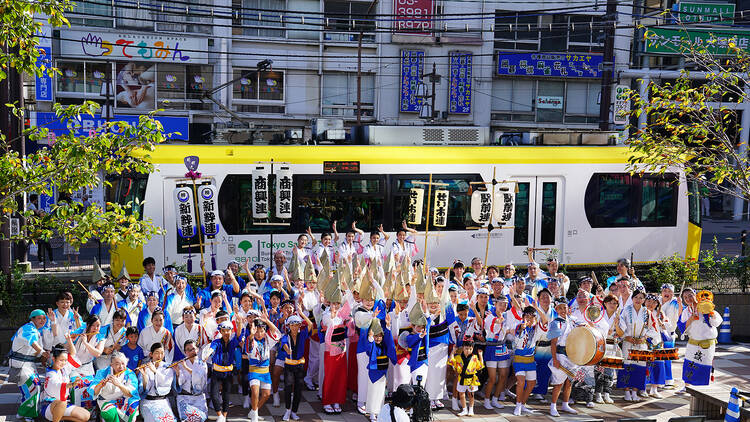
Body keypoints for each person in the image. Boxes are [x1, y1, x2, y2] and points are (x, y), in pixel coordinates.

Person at [617, 287, 658, 401]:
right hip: (628, 342)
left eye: (641, 298)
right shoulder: (625, 310)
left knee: (639, 367)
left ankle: (635, 391)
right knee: (627, 366)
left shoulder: (647, 312)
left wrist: (645, 337)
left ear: (644, 299)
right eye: (636, 297)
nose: (638, 300)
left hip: (641, 343)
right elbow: (621, 326)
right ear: (632, 298)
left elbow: (652, 329)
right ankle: (626, 391)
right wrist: (626, 336)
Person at [320, 275, 352, 414]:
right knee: (330, 375)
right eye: (333, 303)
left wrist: (346, 287)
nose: (335, 306)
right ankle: (327, 401)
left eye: (338, 303)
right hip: (330, 350)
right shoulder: (326, 314)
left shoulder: (342, 313)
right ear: (329, 303)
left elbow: (350, 303)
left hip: (341, 349)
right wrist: (333, 317)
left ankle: (337, 400)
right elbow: (328, 324)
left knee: (340, 376)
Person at [678, 289, 722, 388]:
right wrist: (691, 318)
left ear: (695, 295)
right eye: (685, 297)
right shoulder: (686, 311)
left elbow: (716, 322)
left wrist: (711, 313)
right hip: (693, 343)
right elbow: (682, 327)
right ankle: (687, 386)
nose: (688, 299)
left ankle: (702, 388)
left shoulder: (705, 306)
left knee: (704, 366)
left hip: (707, 344)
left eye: (690, 295)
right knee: (689, 364)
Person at [511, 305, 548, 416]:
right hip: (519, 360)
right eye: (527, 316)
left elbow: (545, 320)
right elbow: (519, 330)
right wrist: (523, 326)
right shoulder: (519, 326)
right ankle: (517, 406)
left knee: (531, 383)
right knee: (521, 382)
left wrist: (537, 308)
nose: (529, 319)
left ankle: (523, 404)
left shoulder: (536, 329)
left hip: (530, 361)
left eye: (532, 317)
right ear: (523, 317)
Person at [41, 338, 91, 422]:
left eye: (65, 360)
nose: (64, 363)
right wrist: (71, 384)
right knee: (62, 401)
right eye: (61, 360)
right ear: (53, 359)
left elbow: (73, 354)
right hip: (49, 406)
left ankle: (58, 418)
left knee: (86, 415)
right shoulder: (50, 374)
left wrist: (69, 340)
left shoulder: (64, 369)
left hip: (63, 405)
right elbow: (56, 386)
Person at [244, 313, 281, 422]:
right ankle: (254, 417)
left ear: (265, 331)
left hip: (265, 370)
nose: (259, 334)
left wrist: (267, 321)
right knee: (255, 392)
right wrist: (251, 334)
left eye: (262, 331)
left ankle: (253, 411)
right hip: (254, 369)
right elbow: (248, 348)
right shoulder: (250, 339)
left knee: (266, 395)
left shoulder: (267, 339)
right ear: (253, 330)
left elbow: (277, 333)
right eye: (257, 331)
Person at [204, 320, 242, 422]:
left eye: (228, 331)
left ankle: (224, 416)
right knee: (214, 394)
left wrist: (239, 323)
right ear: (220, 331)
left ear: (231, 331)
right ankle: (219, 415)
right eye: (223, 330)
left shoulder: (233, 342)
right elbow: (212, 349)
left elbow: (238, 336)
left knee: (226, 395)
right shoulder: (216, 342)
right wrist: (207, 355)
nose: (226, 333)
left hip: (228, 372)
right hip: (216, 372)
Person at [547, 297, 579, 416]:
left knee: (569, 381)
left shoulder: (573, 321)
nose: (562, 310)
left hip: (571, 355)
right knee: (558, 382)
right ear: (556, 309)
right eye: (560, 308)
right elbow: (553, 343)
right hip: (560, 355)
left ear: (568, 308)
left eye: (564, 307)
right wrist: (555, 359)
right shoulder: (555, 323)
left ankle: (565, 404)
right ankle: (553, 406)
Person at [279, 311, 312, 421]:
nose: (294, 327)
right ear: (288, 326)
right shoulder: (286, 336)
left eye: (296, 324)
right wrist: (287, 349)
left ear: (299, 325)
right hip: (289, 365)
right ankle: (287, 410)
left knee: (298, 388)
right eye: (292, 325)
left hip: (299, 366)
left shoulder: (302, 334)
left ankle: (294, 411)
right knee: (288, 387)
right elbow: (283, 343)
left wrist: (302, 315)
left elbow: (311, 325)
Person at [363, 315, 397, 421]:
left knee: (381, 393)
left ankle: (379, 412)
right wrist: (370, 337)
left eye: (380, 336)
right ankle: (372, 413)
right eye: (376, 336)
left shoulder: (384, 345)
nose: (378, 338)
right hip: (374, 373)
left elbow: (389, 340)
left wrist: (387, 326)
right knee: (373, 393)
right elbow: (368, 346)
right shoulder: (373, 346)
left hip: (383, 372)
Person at [89, 351, 139, 422]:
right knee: (109, 413)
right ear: (111, 365)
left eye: (123, 363)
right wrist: (100, 385)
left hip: (123, 400)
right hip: (107, 400)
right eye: (117, 364)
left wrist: (119, 385)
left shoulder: (130, 374)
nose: (121, 367)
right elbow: (93, 391)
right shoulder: (102, 373)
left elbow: (131, 393)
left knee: (133, 406)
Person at [137, 343, 175, 422]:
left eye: (162, 353)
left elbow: (166, 383)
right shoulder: (145, 367)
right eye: (157, 353)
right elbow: (143, 390)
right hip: (147, 402)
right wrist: (144, 377)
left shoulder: (167, 367)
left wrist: (155, 371)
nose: (159, 356)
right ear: (151, 354)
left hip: (163, 402)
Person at [448, 337, 484, 416]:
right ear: (463, 348)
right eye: (466, 348)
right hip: (461, 378)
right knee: (461, 394)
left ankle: (471, 409)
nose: (468, 351)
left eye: (470, 349)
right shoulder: (458, 357)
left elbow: (480, 366)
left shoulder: (474, 358)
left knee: (471, 395)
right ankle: (464, 409)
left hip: (471, 380)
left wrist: (480, 355)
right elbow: (451, 361)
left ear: (472, 349)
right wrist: (453, 352)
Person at [174, 339, 208, 422]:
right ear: (185, 352)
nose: (191, 352)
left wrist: (186, 367)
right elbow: (181, 382)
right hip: (184, 398)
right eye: (188, 350)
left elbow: (199, 377)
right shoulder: (181, 364)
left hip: (199, 398)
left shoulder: (202, 363)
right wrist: (178, 373)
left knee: (199, 419)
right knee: (187, 419)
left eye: (193, 349)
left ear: (197, 349)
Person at [28, 194, 55, 265]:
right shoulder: (37, 221)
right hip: (40, 236)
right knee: (40, 249)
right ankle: (41, 261)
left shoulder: (46, 220)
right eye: (41, 213)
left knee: (49, 248)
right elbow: (36, 229)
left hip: (45, 236)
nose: (42, 214)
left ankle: (51, 260)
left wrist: (50, 234)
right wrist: (35, 237)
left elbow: (49, 228)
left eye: (43, 213)